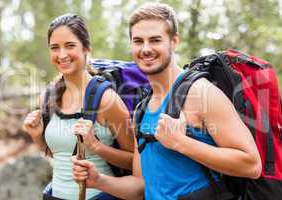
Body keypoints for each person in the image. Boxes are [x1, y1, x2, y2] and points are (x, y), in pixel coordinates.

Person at [72, 3, 262, 200]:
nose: (146, 49)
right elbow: (140, 186)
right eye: (138, 41)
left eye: (155, 40)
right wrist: (99, 180)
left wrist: (181, 143)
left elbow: (252, 165)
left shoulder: (201, 93)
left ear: (174, 41)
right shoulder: (142, 108)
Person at [22, 14, 134, 200]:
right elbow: (60, 155)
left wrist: (96, 146)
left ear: (86, 48)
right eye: (55, 48)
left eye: (70, 45)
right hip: (54, 195)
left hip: (98, 196)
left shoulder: (106, 100)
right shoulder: (48, 97)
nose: (62, 54)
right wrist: (37, 136)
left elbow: (134, 162)